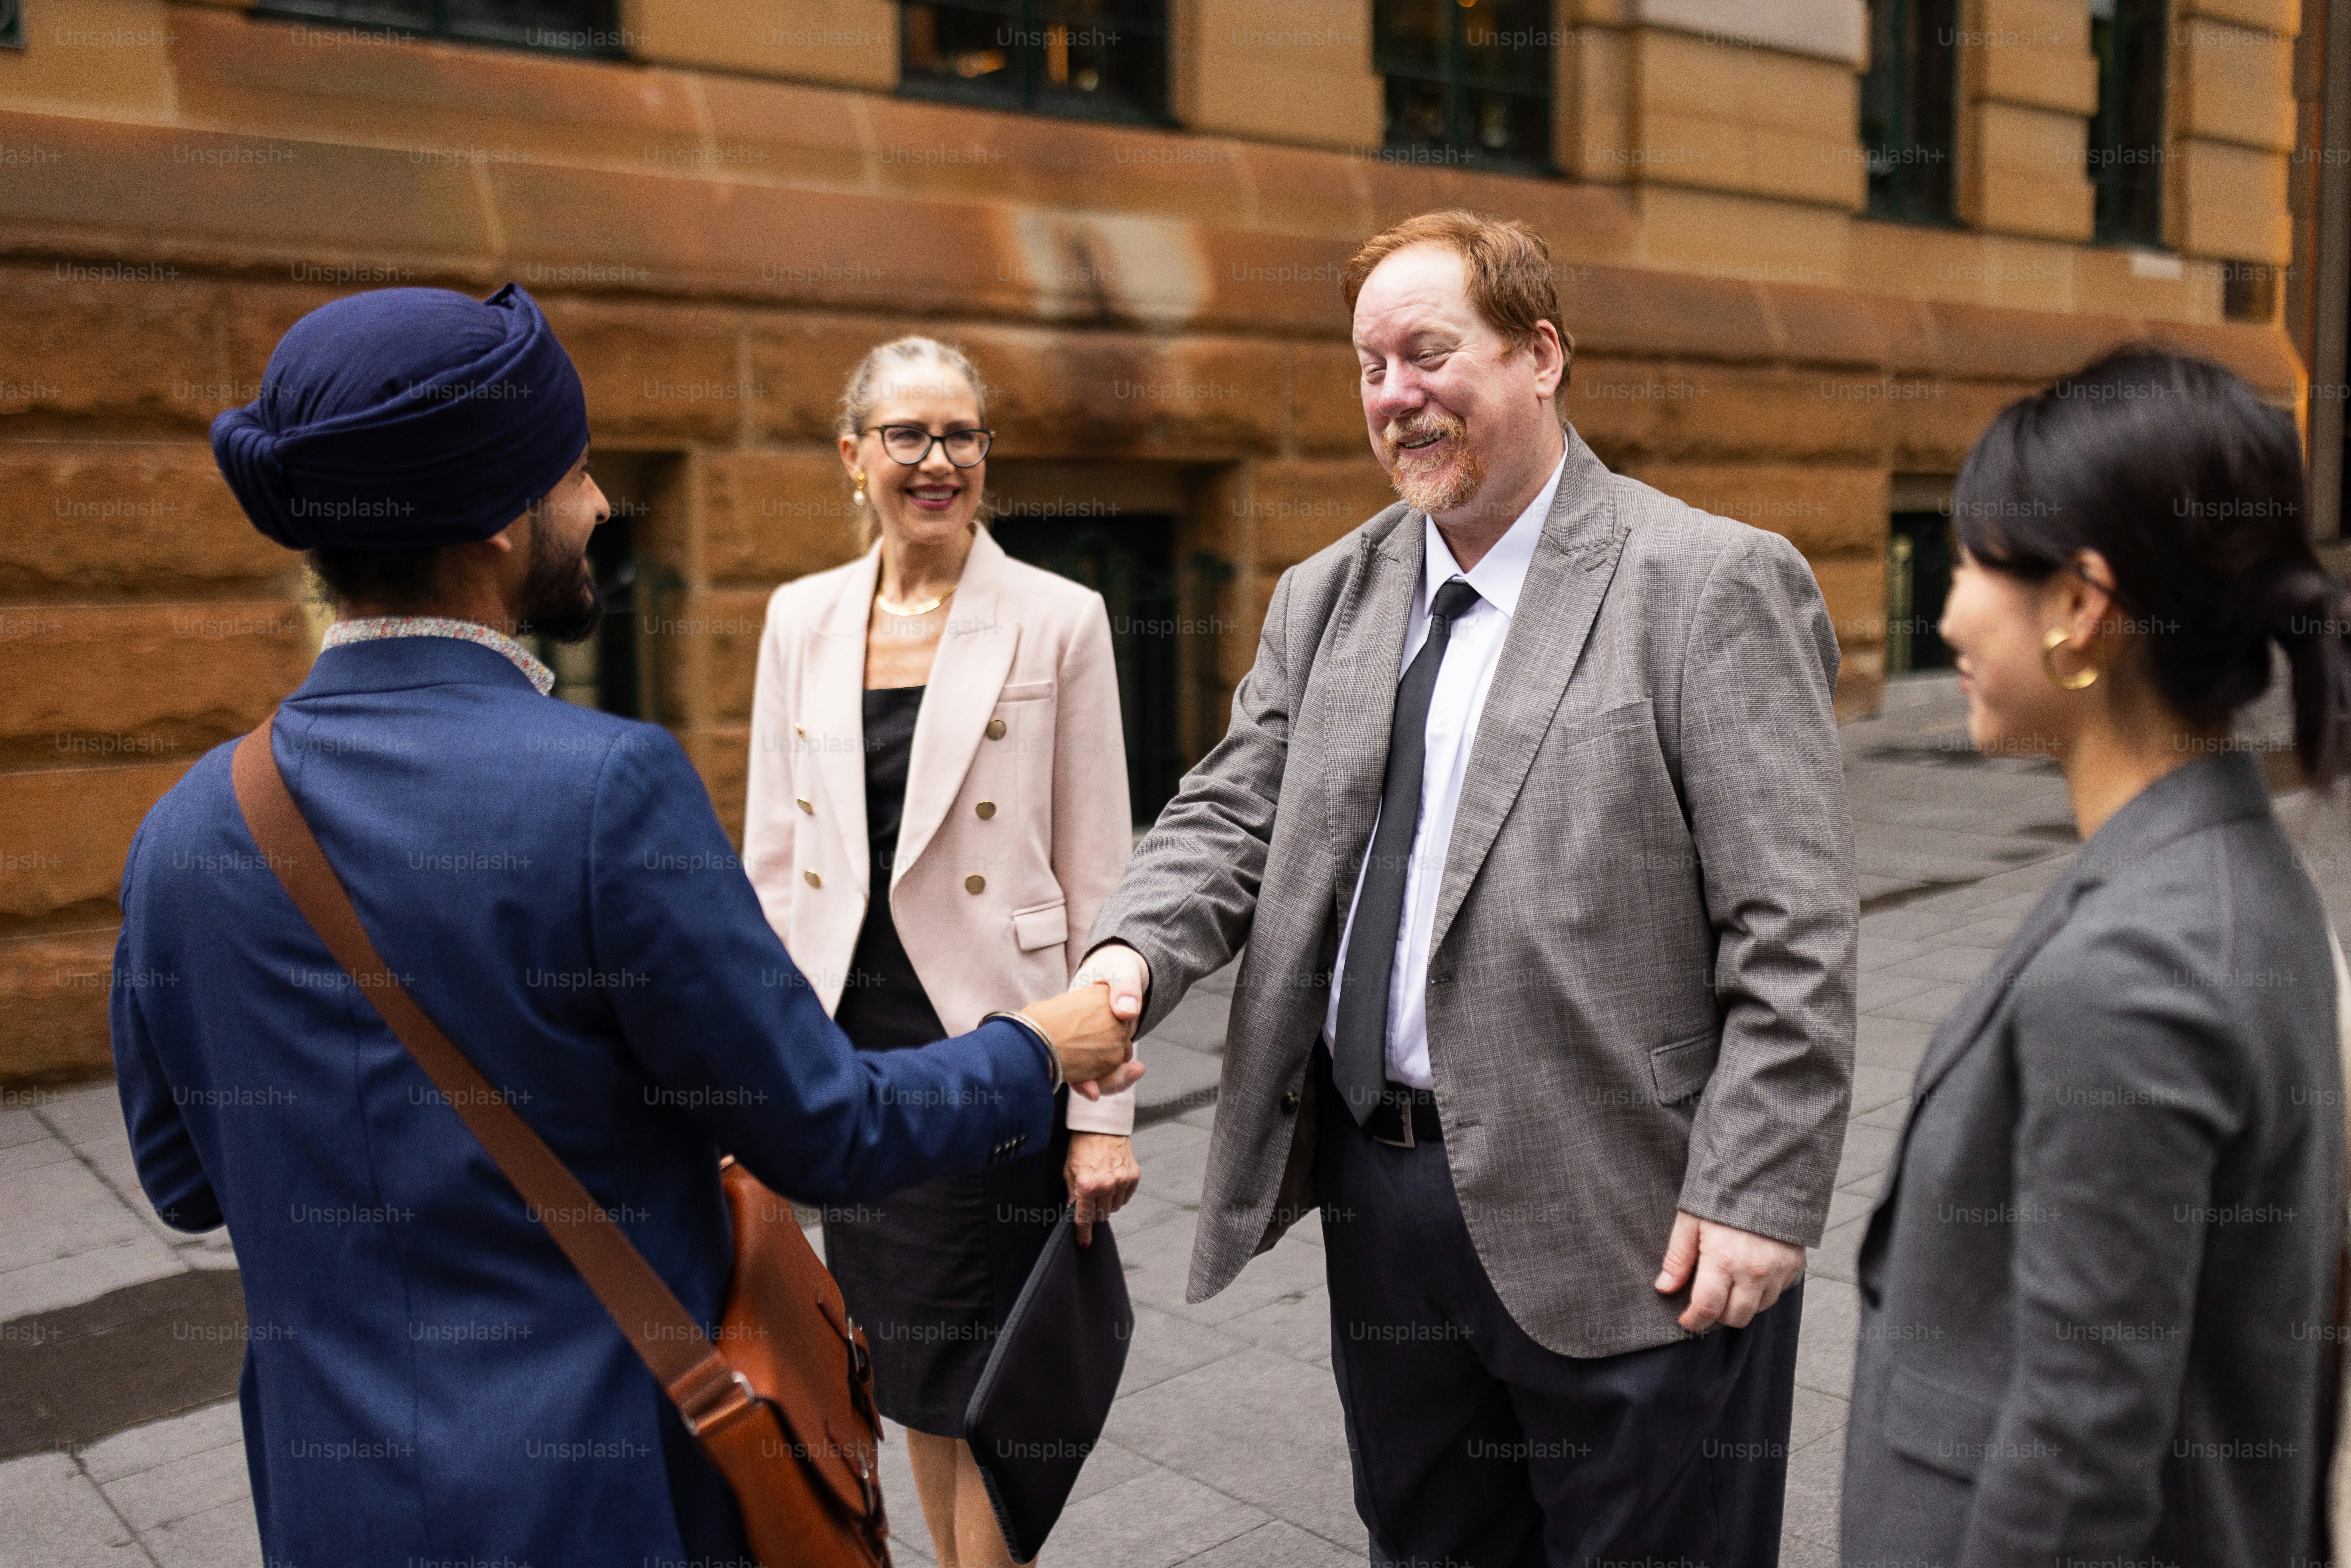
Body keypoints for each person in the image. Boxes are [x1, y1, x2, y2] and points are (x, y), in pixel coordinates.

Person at [109, 284, 1138, 1568]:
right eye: (575, 471)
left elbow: (181, 1177)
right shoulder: (606, 788)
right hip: (607, 1492)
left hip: (333, 1508)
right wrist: (1043, 1048)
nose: (597, 504)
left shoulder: (183, 829)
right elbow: (824, 1127)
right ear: (497, 521)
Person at [1072, 209, 1859, 1566]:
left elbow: (1790, 926)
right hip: (1388, 1208)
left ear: (1539, 354)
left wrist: (1756, 1191)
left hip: (1636, 1215)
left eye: (1428, 354)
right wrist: (1127, 963)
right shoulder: (1328, 594)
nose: (1395, 397)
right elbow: (1229, 811)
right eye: (1370, 367)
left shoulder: (1704, 582)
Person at [1842, 348, 2348, 1568]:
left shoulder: (2138, 968)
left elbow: (2074, 1460)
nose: (1949, 609)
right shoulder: (2230, 875)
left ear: (2080, 608)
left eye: (1970, 563)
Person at [743, 335, 1138, 1568]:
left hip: (997, 1043)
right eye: (908, 435)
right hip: (853, 1057)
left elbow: (1101, 874)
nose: (937, 460)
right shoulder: (797, 617)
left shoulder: (1057, 618)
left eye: (960, 435)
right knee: (905, 1361)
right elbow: (770, 861)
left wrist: (1100, 1114)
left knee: (989, 1371)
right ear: (853, 454)